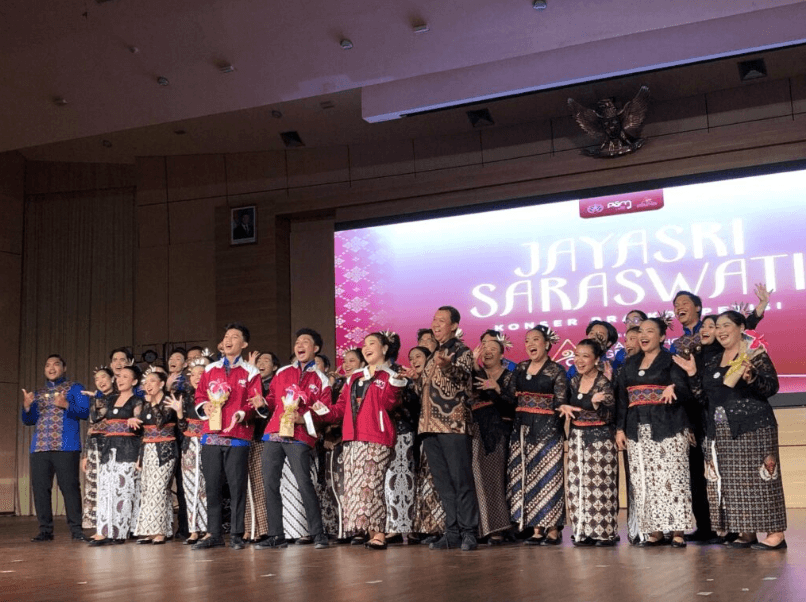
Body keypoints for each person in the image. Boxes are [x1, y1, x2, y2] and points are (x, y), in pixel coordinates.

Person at [676, 310, 786, 550]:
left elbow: (771, 387)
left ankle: (776, 533)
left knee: (763, 480)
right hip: (721, 429)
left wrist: (751, 376)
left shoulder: (754, 353)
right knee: (734, 483)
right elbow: (703, 398)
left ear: (740, 328)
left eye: (726, 325)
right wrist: (693, 374)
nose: (721, 330)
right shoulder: (714, 359)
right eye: (717, 326)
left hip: (753, 426)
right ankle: (746, 533)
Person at [317, 332, 406, 550]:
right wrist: (323, 411)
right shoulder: (354, 378)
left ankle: (379, 535)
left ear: (384, 349)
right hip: (351, 438)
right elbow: (340, 410)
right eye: (365, 344)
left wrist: (396, 381)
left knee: (371, 485)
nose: (366, 348)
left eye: (372, 343)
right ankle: (369, 532)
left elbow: (391, 402)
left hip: (377, 437)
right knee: (355, 488)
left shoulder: (390, 376)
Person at [404, 306, 478, 551]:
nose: (435, 324)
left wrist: (447, 366)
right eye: (434, 319)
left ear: (454, 325)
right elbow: (425, 392)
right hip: (428, 427)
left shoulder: (462, 351)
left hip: (453, 425)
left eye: (442, 320)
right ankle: (452, 532)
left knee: (461, 480)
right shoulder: (432, 355)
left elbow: (464, 381)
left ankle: (469, 532)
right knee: (443, 483)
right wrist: (415, 381)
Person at [615, 318, 694, 547]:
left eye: (650, 331)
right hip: (637, 429)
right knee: (643, 481)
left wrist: (675, 387)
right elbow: (622, 399)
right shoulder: (630, 364)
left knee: (673, 479)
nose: (643, 335)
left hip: (668, 427)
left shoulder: (671, 360)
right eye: (641, 331)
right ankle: (655, 530)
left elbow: (687, 392)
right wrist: (620, 429)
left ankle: (677, 531)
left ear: (661, 337)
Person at [253, 328, 332, 550]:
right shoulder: (283, 373)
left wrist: (303, 418)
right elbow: (271, 400)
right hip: (274, 433)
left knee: (304, 483)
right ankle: (276, 535)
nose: (300, 345)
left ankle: (318, 534)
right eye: (298, 341)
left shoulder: (322, 379)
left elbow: (324, 412)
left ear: (315, 349)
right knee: (269, 483)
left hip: (299, 436)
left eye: (305, 342)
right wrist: (262, 404)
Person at [192, 323, 263, 551]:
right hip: (211, 436)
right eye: (226, 336)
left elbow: (255, 400)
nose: (229, 340)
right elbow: (200, 396)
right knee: (211, 486)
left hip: (238, 435)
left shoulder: (251, 372)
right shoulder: (210, 369)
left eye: (235, 337)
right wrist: (205, 407)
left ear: (244, 344)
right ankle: (213, 533)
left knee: (236, 486)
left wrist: (243, 413)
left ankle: (236, 533)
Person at [507, 326, 567, 545]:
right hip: (522, 431)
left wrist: (559, 414)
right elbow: (510, 398)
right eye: (527, 340)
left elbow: (560, 401)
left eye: (536, 340)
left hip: (548, 431)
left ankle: (553, 529)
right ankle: (536, 529)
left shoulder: (556, 371)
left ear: (547, 344)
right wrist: (494, 388)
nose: (531, 344)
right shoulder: (521, 368)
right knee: (527, 480)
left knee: (549, 480)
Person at [21, 354, 89, 542]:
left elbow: (85, 412)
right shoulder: (38, 392)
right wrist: (27, 406)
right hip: (40, 447)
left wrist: (66, 404)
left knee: (70, 488)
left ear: (64, 368)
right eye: (48, 365)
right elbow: (29, 421)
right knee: (41, 489)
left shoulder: (75, 388)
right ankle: (45, 530)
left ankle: (76, 530)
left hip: (66, 446)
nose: (51, 368)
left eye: (56, 364)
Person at [560, 339, 618, 546]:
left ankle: (604, 533)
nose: (579, 360)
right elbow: (563, 402)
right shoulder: (574, 381)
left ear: (596, 359)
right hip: (577, 438)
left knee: (600, 486)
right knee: (577, 486)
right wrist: (565, 406)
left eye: (585, 356)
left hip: (600, 439)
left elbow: (610, 413)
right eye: (576, 355)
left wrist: (594, 405)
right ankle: (582, 532)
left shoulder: (604, 382)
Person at [91, 365, 144, 545]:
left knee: (123, 491)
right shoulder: (111, 399)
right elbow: (96, 418)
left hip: (128, 448)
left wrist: (135, 421)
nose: (120, 380)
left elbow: (142, 424)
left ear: (134, 381)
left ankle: (119, 532)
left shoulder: (137, 401)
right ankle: (103, 531)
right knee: (106, 491)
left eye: (125, 377)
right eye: (119, 376)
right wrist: (96, 400)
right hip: (109, 448)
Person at [470, 335, 515, 544]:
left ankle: (498, 528)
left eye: (493, 348)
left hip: (498, 431)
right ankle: (482, 528)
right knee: (478, 479)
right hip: (475, 429)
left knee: (496, 479)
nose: (487, 351)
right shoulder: (474, 374)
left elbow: (512, 404)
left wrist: (496, 388)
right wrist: (472, 364)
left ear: (502, 354)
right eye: (484, 347)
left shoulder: (508, 376)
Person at [322, 348, 365, 540]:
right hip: (342, 441)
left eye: (352, 361)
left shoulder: (366, 382)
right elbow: (337, 410)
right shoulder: (343, 384)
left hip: (362, 439)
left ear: (363, 364)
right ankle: (348, 528)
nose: (346, 365)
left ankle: (363, 530)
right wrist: (323, 413)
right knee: (343, 487)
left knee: (361, 486)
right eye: (344, 361)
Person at [132, 369, 178, 544]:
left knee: (158, 488)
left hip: (165, 449)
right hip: (148, 448)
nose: (148, 385)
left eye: (152, 381)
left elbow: (160, 422)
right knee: (149, 489)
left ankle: (156, 530)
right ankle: (161, 529)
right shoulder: (145, 405)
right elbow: (144, 432)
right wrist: (140, 457)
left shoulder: (168, 402)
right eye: (146, 382)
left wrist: (152, 402)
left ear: (161, 384)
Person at [169, 353, 210, 545]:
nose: (196, 377)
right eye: (192, 374)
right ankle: (194, 530)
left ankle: (209, 528)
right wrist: (178, 412)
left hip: (207, 443)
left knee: (206, 487)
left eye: (201, 374)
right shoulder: (184, 397)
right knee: (189, 488)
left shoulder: (214, 396)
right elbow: (182, 427)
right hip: (188, 445)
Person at [409, 345, 446, 543]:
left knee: (437, 481)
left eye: (418, 356)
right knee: (425, 482)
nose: (414, 360)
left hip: (439, 433)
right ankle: (425, 527)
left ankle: (440, 528)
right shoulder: (412, 382)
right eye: (411, 357)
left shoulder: (437, 378)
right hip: (421, 436)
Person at [244, 351, 279, 543]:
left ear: (274, 367)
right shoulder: (250, 383)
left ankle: (263, 527)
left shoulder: (272, 386)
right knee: (248, 483)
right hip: (246, 437)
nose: (261, 363)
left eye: (266, 360)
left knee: (260, 483)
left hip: (264, 437)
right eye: (258, 361)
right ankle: (250, 526)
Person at [81, 367, 116, 532]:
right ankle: (94, 525)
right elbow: (92, 424)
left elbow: (103, 414)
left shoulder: (118, 397)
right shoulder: (94, 399)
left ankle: (110, 523)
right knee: (93, 486)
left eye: (104, 377)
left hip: (111, 444)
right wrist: (85, 454)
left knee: (110, 485)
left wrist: (99, 398)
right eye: (97, 379)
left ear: (113, 379)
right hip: (94, 445)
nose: (100, 381)